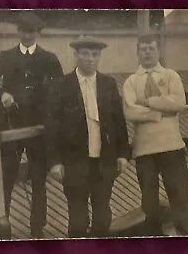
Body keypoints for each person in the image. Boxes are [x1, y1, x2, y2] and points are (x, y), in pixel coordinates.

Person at [0, 11, 63, 239]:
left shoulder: (49, 59)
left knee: (38, 181)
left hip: (39, 130)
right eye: (23, 30)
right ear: (18, 32)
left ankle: (38, 229)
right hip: (11, 127)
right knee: (5, 179)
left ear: (38, 33)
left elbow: (59, 92)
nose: (27, 35)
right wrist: (2, 94)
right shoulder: (6, 57)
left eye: (32, 31)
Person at [44, 35, 130, 238]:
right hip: (74, 163)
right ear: (76, 55)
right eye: (85, 54)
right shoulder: (61, 85)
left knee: (102, 217)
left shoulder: (108, 84)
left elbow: (119, 122)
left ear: (99, 57)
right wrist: (55, 162)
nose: (90, 59)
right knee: (78, 220)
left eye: (94, 54)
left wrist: (123, 154)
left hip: (104, 162)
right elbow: (51, 127)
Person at [122, 34, 188, 236]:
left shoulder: (171, 76)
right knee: (149, 201)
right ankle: (156, 238)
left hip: (172, 146)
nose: (147, 53)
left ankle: (186, 236)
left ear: (158, 51)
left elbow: (179, 103)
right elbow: (130, 111)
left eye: (151, 48)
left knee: (180, 196)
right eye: (143, 49)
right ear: (137, 52)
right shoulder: (131, 82)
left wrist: (148, 102)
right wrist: (160, 111)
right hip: (144, 150)